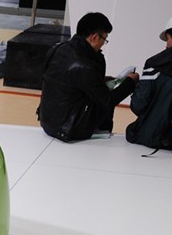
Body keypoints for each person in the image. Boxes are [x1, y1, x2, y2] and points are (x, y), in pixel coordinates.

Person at [38, 12, 139, 142]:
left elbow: (70, 82)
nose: (103, 44)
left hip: (48, 122)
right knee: (105, 97)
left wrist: (106, 79)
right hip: (69, 129)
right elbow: (108, 100)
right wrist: (131, 82)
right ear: (94, 37)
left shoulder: (57, 48)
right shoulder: (85, 65)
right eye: (104, 40)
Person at [125, 14, 172, 148]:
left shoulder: (155, 64)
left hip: (153, 138)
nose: (166, 44)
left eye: (167, 38)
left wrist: (133, 84)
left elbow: (139, 106)